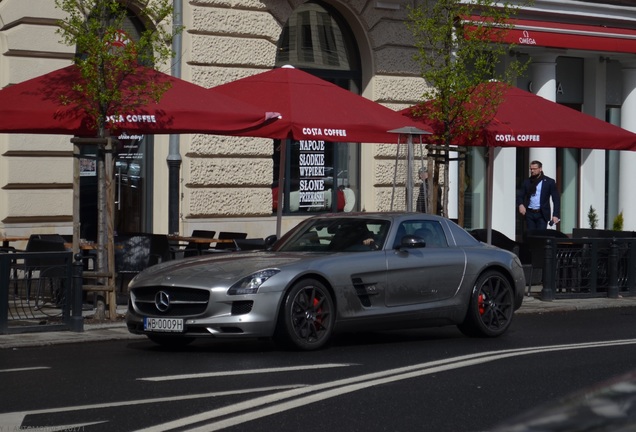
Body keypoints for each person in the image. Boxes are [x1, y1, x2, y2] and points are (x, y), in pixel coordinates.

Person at [516, 160, 561, 230]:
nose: (532, 171)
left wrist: (555, 215)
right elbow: (520, 195)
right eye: (531, 169)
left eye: (534, 169)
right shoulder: (527, 182)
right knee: (531, 236)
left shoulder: (549, 182)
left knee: (541, 235)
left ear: (540, 169)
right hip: (530, 213)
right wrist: (521, 205)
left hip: (542, 213)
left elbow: (556, 199)